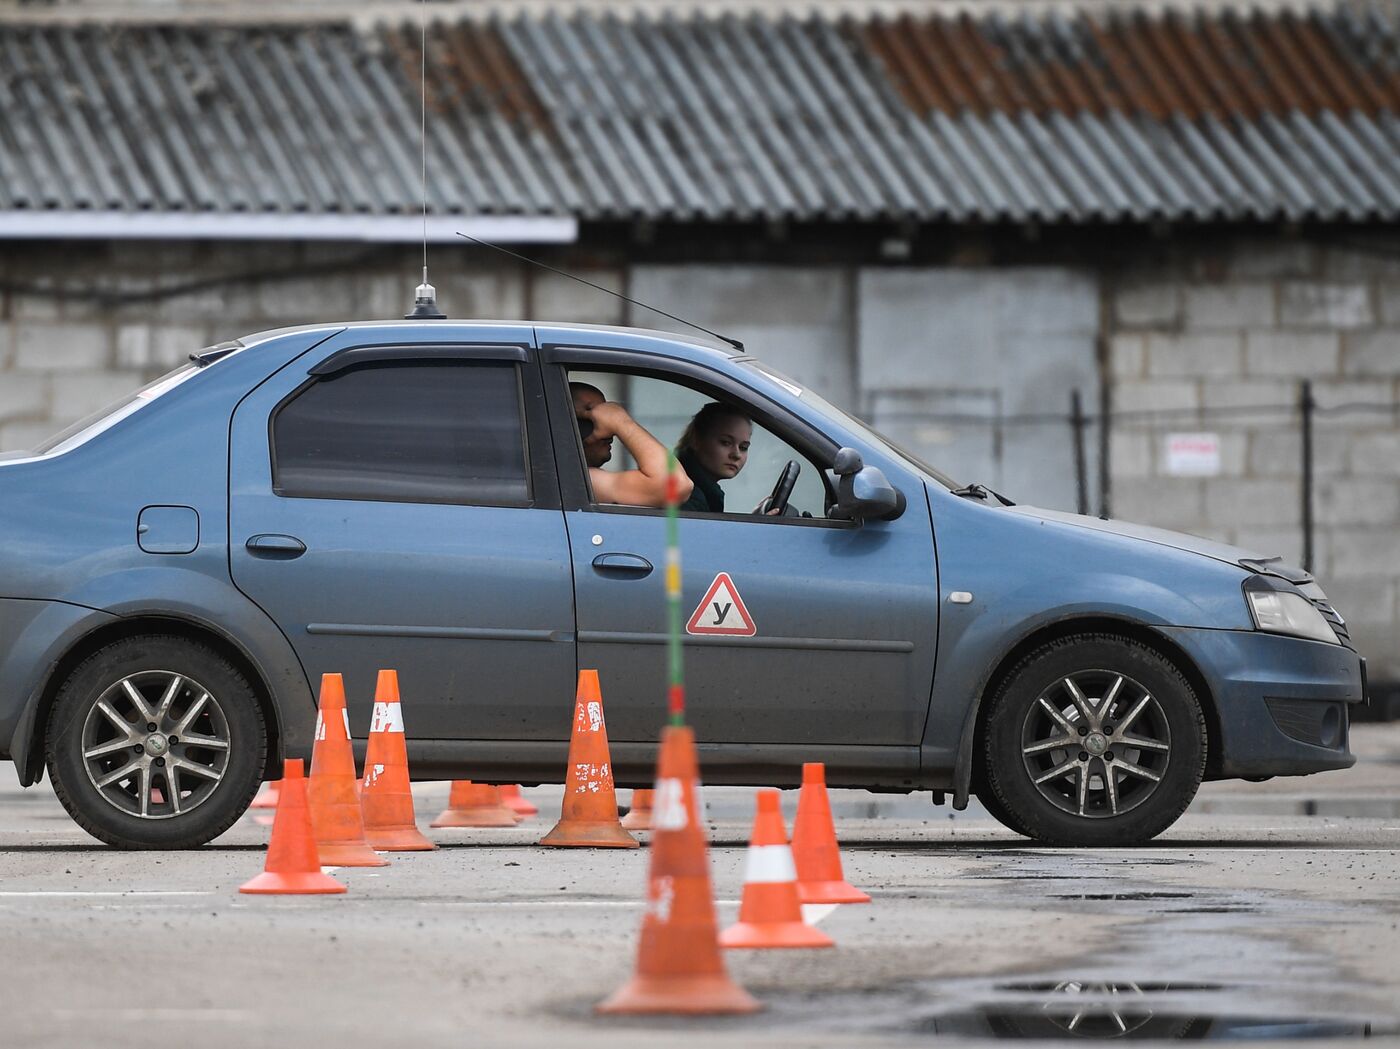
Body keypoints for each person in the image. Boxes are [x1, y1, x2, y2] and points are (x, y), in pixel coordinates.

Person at [571, 382, 693, 508]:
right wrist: (619, 421)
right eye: (594, 414)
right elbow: (675, 486)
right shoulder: (571, 481)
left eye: (606, 415)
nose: (608, 428)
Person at [675, 402, 753, 514]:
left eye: (743, 447)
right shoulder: (687, 495)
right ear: (696, 440)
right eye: (725, 442)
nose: (736, 454)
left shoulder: (699, 491)